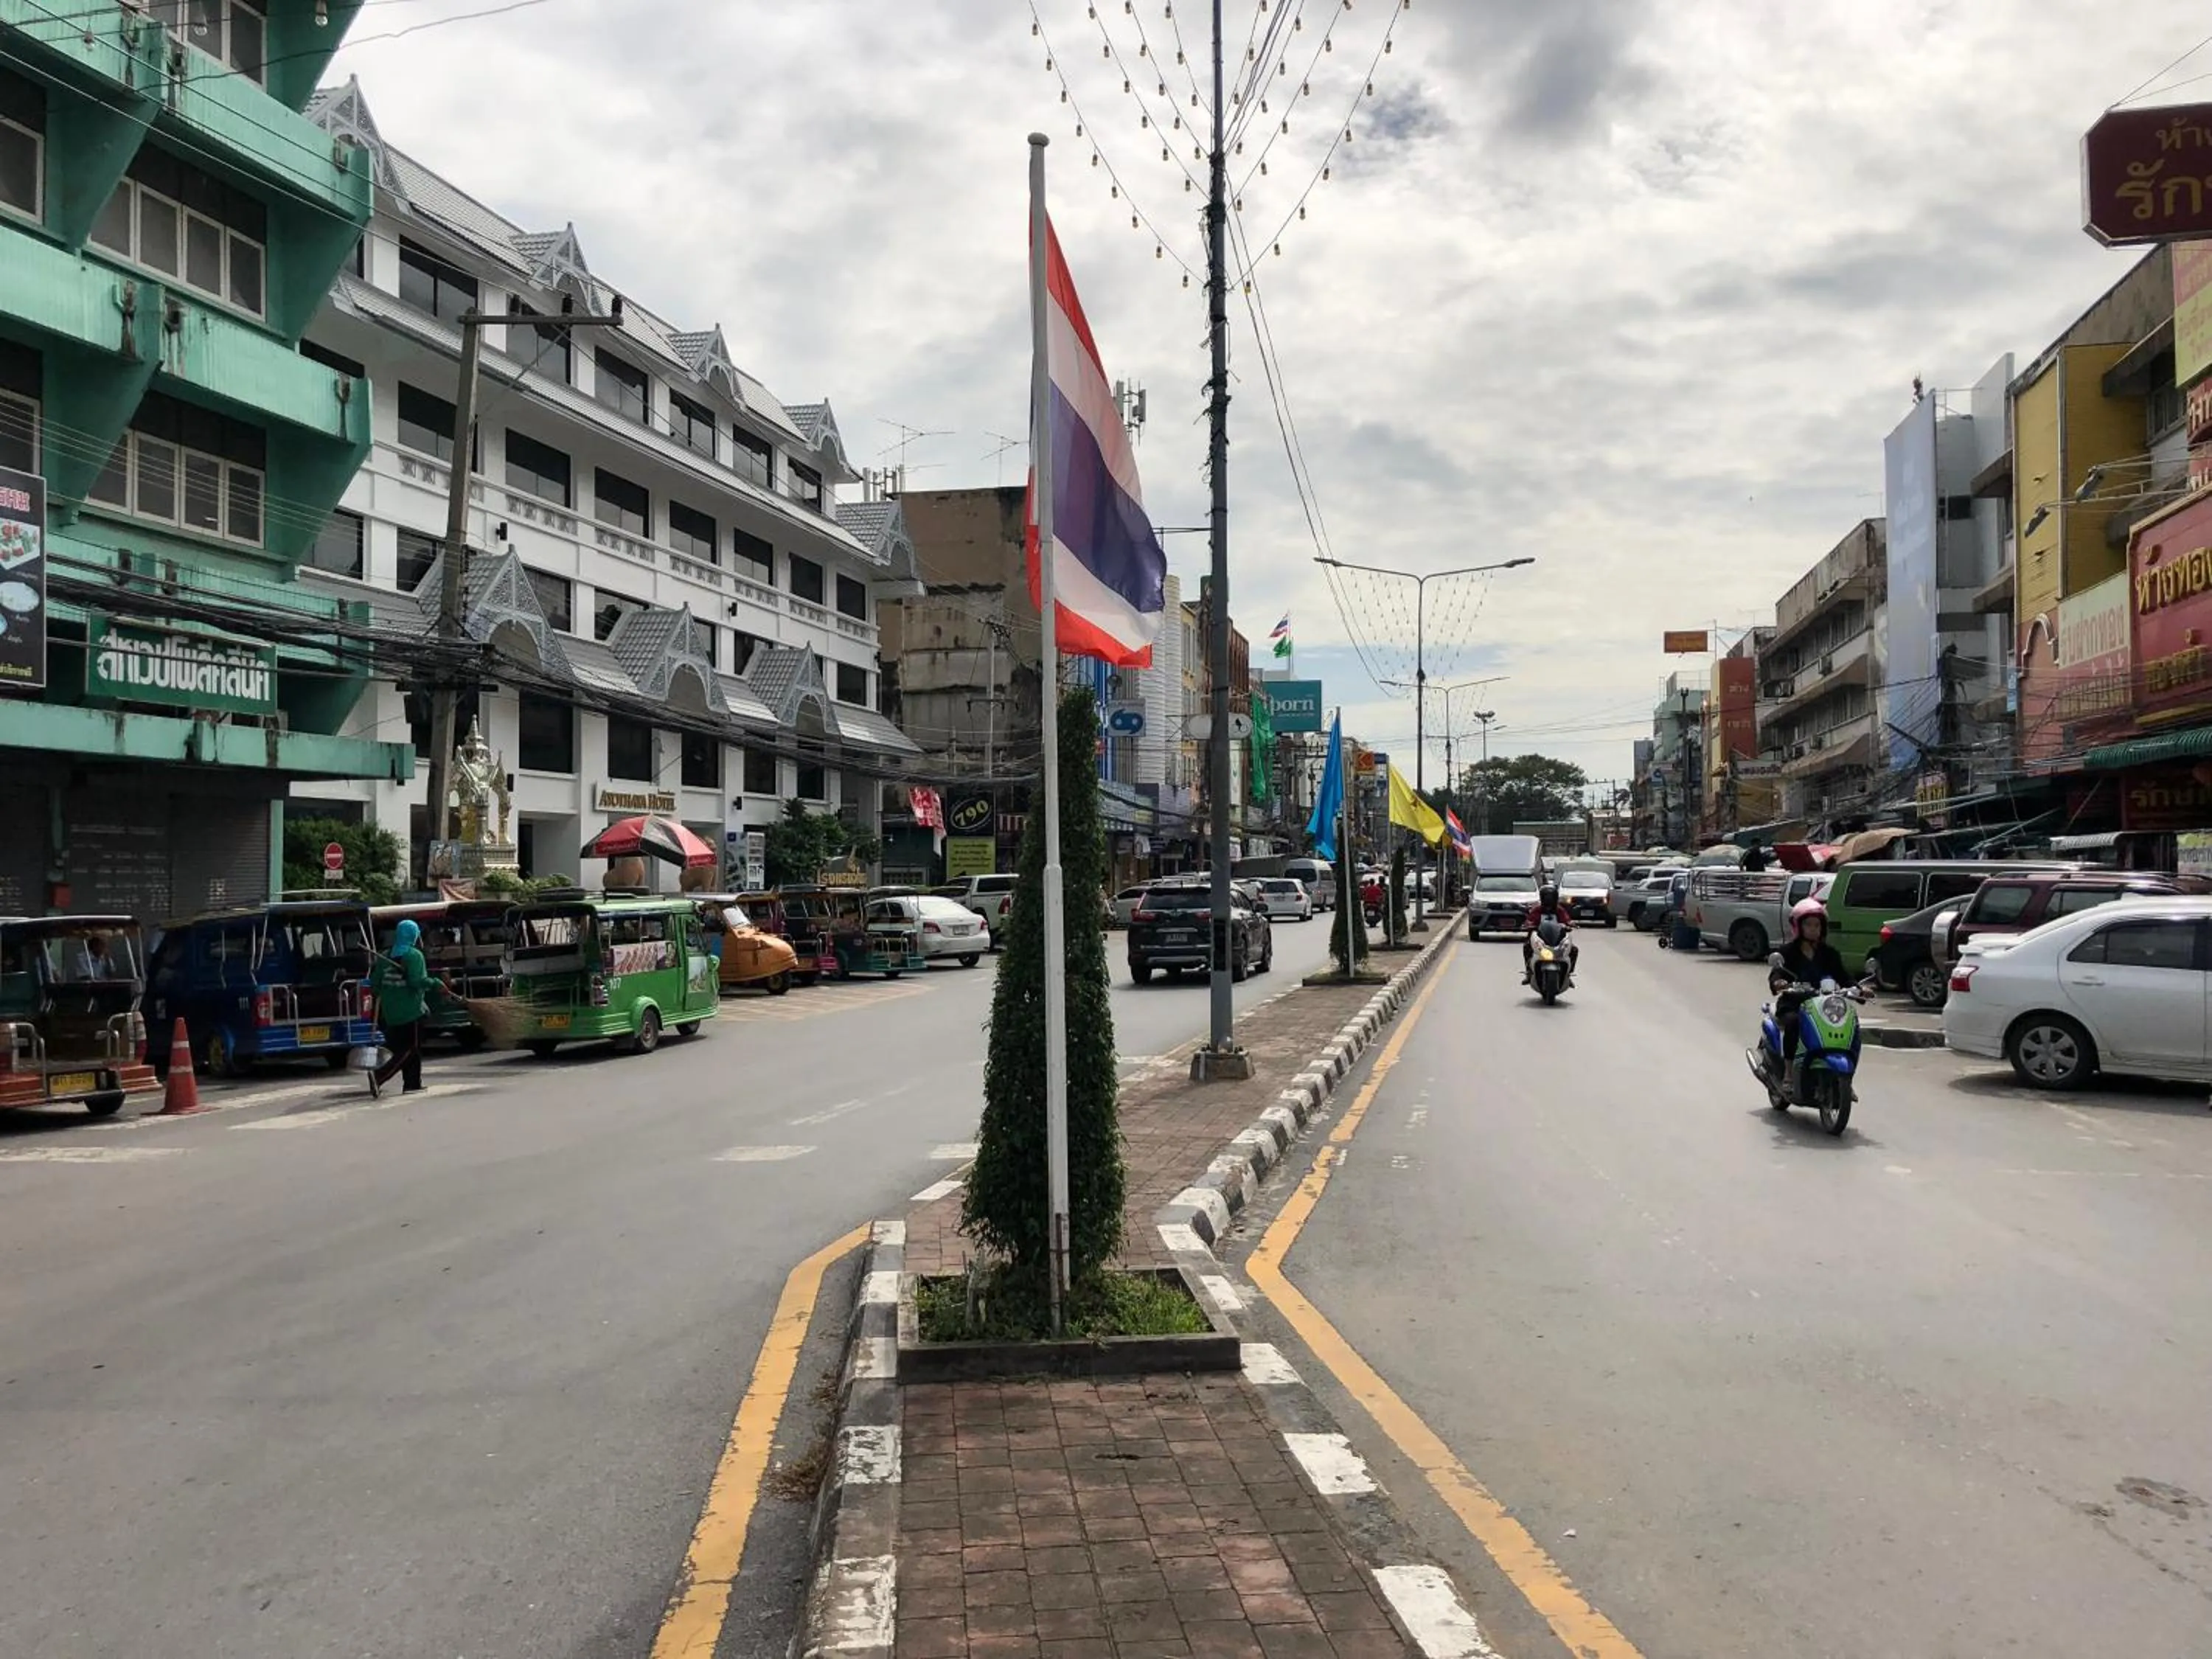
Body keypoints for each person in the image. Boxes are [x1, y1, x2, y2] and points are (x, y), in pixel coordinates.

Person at [1767, 897, 1848, 1070]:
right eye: (1808, 925)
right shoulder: (1787, 952)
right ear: (1799, 927)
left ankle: (1846, 1077)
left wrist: (1860, 988)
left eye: (1817, 925)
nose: (1813, 929)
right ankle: (1788, 1071)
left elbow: (1844, 977)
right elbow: (1777, 973)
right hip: (1794, 1004)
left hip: (1823, 1005)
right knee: (1793, 1022)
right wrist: (1779, 983)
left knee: (1850, 1024)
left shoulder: (1830, 954)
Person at [369, 918, 434, 1097]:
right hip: (411, 1010)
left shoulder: (385, 956)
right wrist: (435, 983)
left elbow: (375, 985)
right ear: (414, 936)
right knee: (409, 1048)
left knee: (410, 1047)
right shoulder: (414, 956)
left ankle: (412, 1083)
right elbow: (417, 982)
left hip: (391, 1012)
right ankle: (379, 1076)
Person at [1522, 883, 1577, 983]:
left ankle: (1568, 974)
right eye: (1546, 897)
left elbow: (1567, 920)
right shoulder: (1537, 910)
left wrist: (1570, 924)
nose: (1549, 900)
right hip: (1539, 937)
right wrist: (1528, 925)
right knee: (1527, 947)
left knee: (1574, 950)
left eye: (1551, 897)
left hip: (1556, 938)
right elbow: (1529, 920)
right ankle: (1529, 972)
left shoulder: (1560, 910)